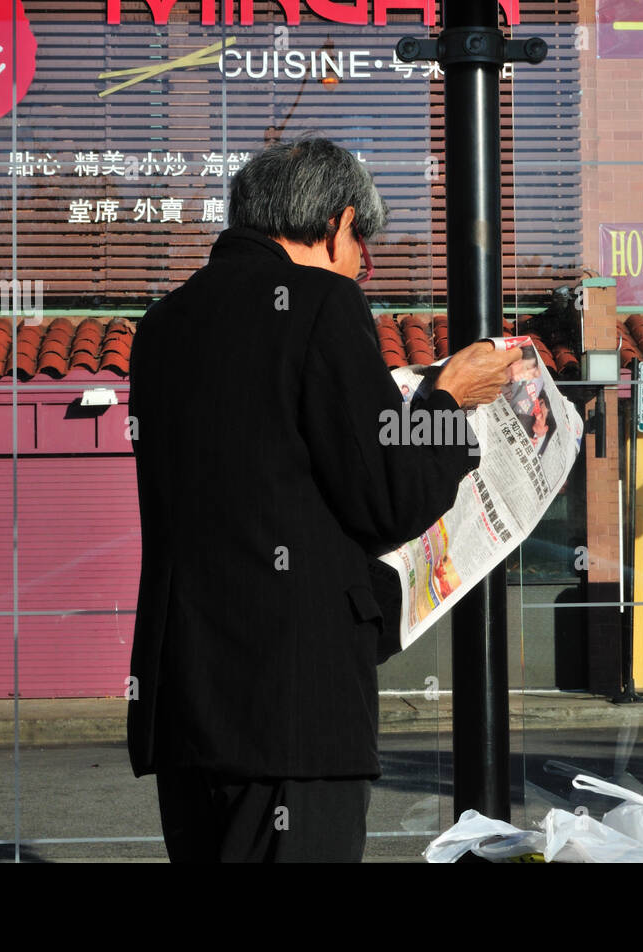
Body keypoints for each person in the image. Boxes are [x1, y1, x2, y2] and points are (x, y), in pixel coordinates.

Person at [126, 135, 520, 862]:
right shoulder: (319, 304)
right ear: (337, 223)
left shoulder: (162, 325)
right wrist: (444, 399)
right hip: (292, 707)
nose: (363, 262)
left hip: (185, 703)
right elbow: (385, 498)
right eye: (360, 240)